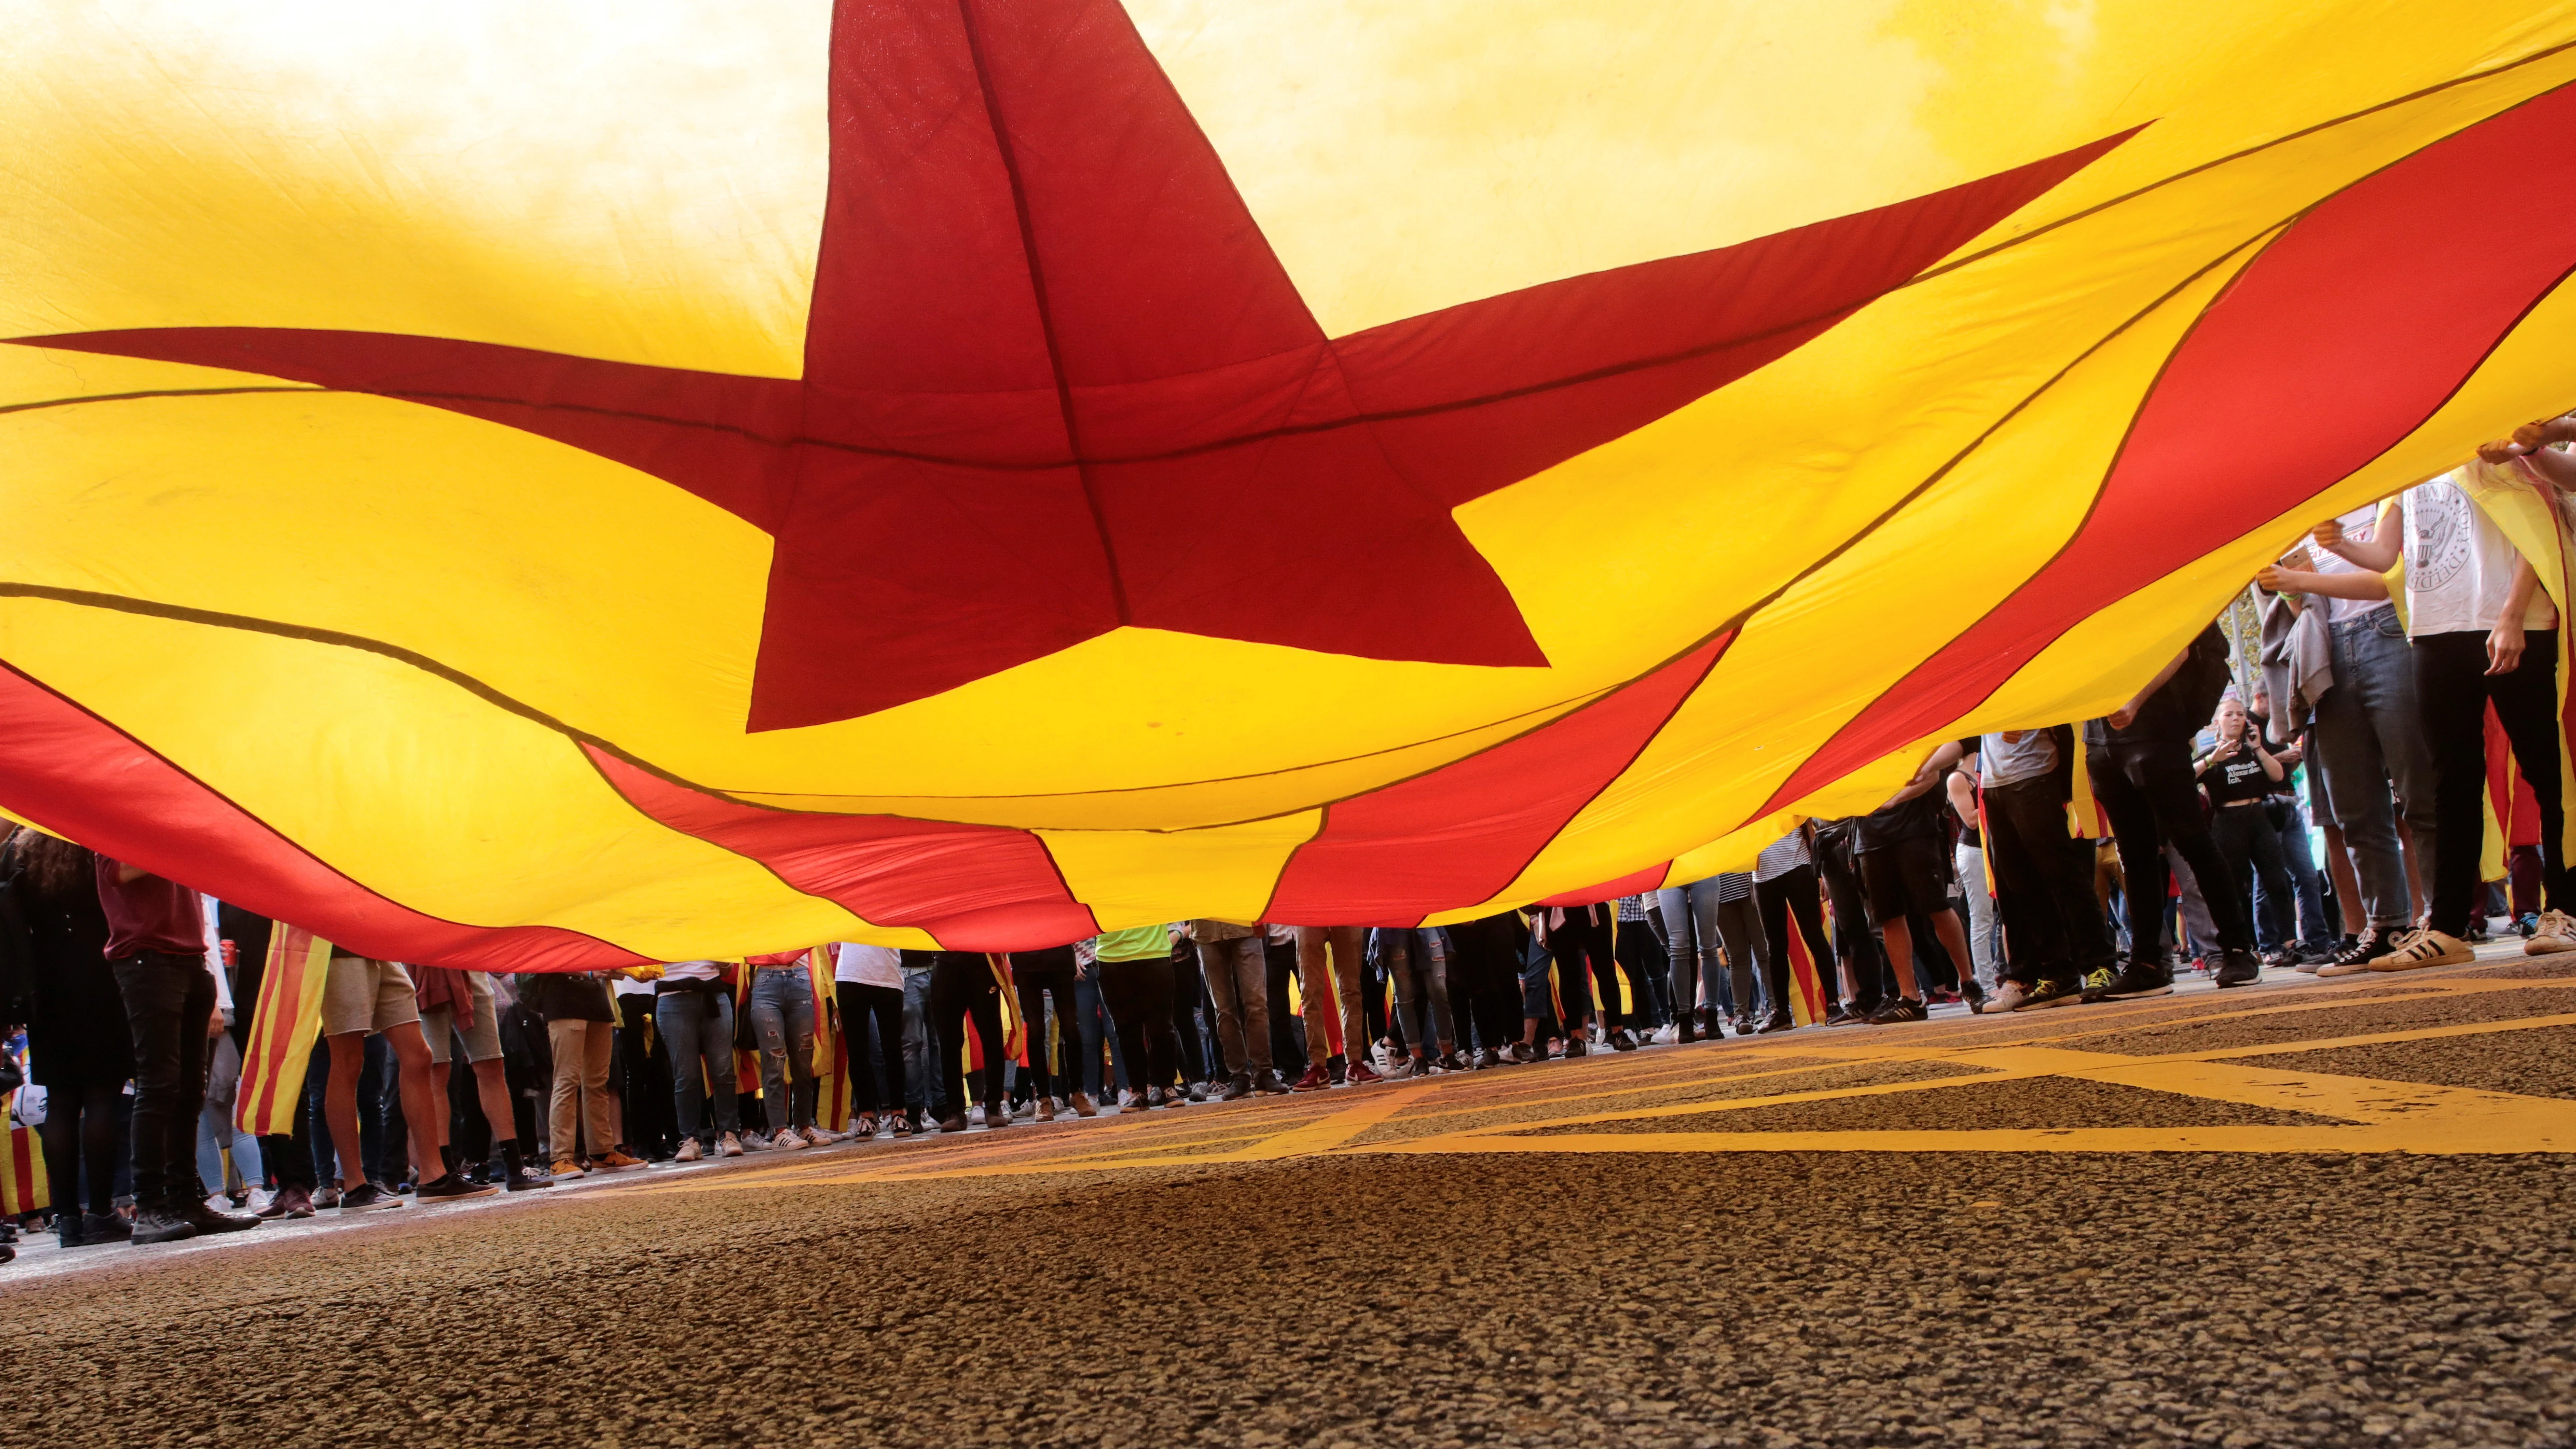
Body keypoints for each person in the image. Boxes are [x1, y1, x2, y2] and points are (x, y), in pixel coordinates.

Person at [2306, 467, 2568, 967]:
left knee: (2544, 770)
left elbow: (2537, 523)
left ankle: (2566, 904)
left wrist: (2513, 613)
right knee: (2448, 781)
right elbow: (2386, 557)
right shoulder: (2408, 463)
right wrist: (2339, 542)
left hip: (2513, 621)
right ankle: (2447, 926)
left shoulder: (2481, 436)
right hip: (2433, 629)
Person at [2086, 623, 2266, 989]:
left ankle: (2236, 949)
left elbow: (2178, 642)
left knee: (2191, 840)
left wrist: (2135, 700)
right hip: (2101, 738)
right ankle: (2147, 963)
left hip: (2153, 726)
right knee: (2134, 854)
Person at [94, 855, 260, 1243]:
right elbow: (114, 872)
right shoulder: (118, 814)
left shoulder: (162, 814)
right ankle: (150, 1206)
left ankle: (186, 1198)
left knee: (190, 1090)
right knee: (158, 1085)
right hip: (145, 956)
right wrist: (169, 844)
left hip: (189, 955)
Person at [6, 830, 133, 1247]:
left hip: (46, 987)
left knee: (60, 1103)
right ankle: (99, 1210)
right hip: (101, 978)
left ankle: (67, 1217)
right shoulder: (96, 850)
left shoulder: (24, 854)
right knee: (102, 1098)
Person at [318, 942, 495, 1211]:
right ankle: (354, 1185)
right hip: (339, 949)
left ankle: (434, 1175)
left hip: (378, 947)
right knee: (348, 1060)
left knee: (419, 1056)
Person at [1848, 767, 1978, 1023]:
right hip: (1871, 836)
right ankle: (1910, 998)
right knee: (1889, 916)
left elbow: (1931, 775)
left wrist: (1895, 799)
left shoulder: (1904, 735)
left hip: (1914, 829)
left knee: (1937, 907)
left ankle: (1969, 983)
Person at [415, 965, 550, 1190]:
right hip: (425, 966)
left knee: (492, 1064)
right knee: (437, 1072)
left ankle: (514, 1167)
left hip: (468, 969)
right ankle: (445, 1174)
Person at [2196, 699, 2301, 974]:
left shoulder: (2254, 751)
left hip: (2259, 817)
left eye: (2240, 714)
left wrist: (2258, 748)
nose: (2235, 719)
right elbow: (2184, 777)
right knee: (2236, 887)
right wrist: (2210, 760)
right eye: (2229, 714)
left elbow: (2278, 776)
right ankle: (2246, 947)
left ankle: (2290, 941)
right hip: (2228, 822)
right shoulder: (2211, 753)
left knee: (2276, 880)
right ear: (2217, 722)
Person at [522, 967, 642, 1173]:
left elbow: (606, 968)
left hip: (597, 1002)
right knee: (567, 1080)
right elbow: (548, 958)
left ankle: (602, 1152)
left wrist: (631, 968)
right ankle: (560, 1158)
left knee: (598, 1082)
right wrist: (587, 970)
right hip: (564, 1001)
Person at [654, 960, 746, 1161]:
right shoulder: (656, 928)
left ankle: (729, 1135)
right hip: (672, 999)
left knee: (724, 1070)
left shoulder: (706, 927)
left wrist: (722, 961)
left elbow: (727, 968)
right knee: (686, 1075)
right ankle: (690, 1140)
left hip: (714, 994)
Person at [1751, 825, 1838, 1033]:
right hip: (1762, 875)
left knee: (1814, 936)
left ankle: (1833, 1004)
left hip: (1799, 866)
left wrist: (1821, 872)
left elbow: (1810, 829)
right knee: (1775, 945)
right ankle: (1781, 1012)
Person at [1093, 924, 1190, 1110]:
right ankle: (1138, 1091)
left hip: (1154, 952)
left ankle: (1168, 1087)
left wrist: (1178, 933)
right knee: (1126, 1030)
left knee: (1162, 1027)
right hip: (1111, 956)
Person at [1189, 919, 1287, 1099]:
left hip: (1244, 927)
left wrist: (1260, 916)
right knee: (1224, 1010)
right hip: (1206, 932)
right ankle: (1239, 1077)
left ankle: (1264, 1073)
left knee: (1256, 1005)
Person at [919, 948, 1011, 1131]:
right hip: (945, 960)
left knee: (992, 1036)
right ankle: (955, 1111)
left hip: (982, 958)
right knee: (947, 1041)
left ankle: (993, 1106)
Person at [745, 950, 828, 1149]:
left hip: (798, 976)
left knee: (803, 1061)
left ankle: (804, 1126)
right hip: (766, 978)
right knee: (774, 1060)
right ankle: (779, 1130)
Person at [1008, 942, 1090, 1119]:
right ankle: (1043, 1099)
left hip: (1059, 957)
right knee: (1035, 1029)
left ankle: (1077, 1093)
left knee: (1071, 1028)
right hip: (1025, 960)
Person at [835, 941, 909, 1136]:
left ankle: (898, 1113)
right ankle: (866, 1115)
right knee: (857, 1051)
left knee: (892, 1048)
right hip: (849, 974)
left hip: (887, 975)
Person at [1291, 924, 1377, 1088]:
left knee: (1351, 990)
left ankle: (1355, 1062)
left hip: (1343, 911)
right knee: (1310, 993)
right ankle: (1317, 1065)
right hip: (1309, 912)